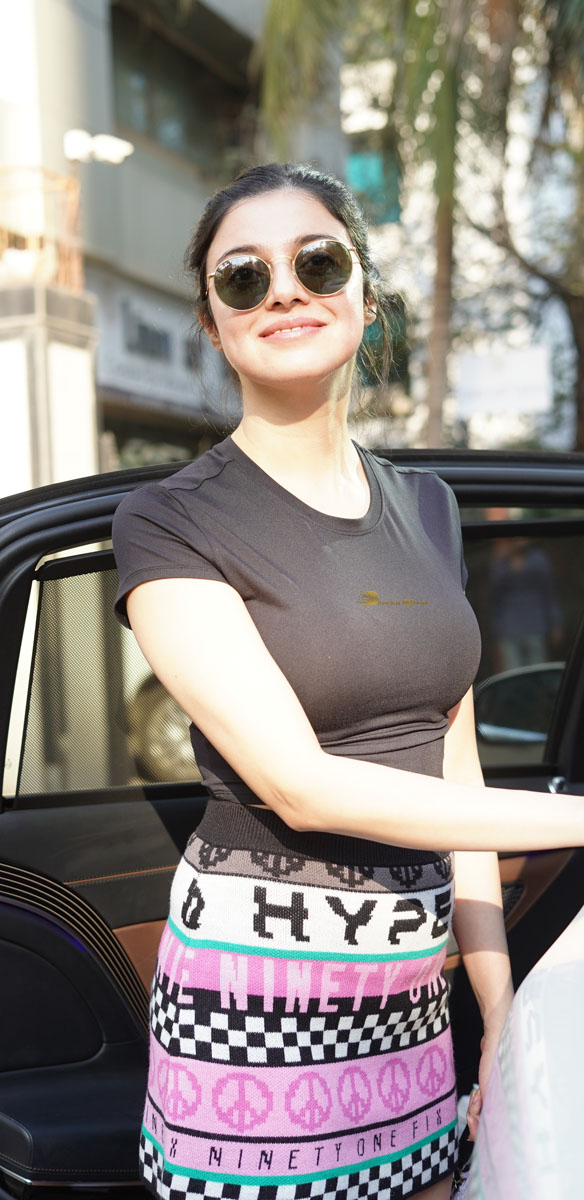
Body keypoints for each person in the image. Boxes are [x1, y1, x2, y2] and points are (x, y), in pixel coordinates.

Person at [111, 162, 584, 1200]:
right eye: (244, 277)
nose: (283, 290)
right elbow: (301, 787)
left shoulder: (427, 505)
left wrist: (495, 1005)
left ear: (366, 295)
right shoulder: (170, 521)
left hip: (413, 991)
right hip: (258, 995)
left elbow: (456, 782)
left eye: (317, 262)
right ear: (212, 324)